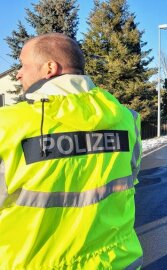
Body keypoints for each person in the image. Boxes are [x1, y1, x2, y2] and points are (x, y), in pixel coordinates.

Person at [0, 33, 143, 269]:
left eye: (23, 65)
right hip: (116, 261)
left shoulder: (7, 127)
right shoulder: (127, 119)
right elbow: (129, 180)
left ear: (50, 68)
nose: (19, 73)